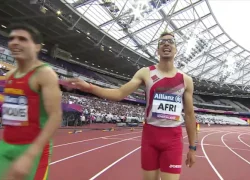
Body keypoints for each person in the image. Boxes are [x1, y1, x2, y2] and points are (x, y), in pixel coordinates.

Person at [65, 32, 196, 180]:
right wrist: (89, 87)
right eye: (162, 42)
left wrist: (192, 147)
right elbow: (119, 93)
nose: (166, 44)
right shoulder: (146, 73)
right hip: (150, 137)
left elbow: (190, 115)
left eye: (171, 41)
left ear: (176, 49)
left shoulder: (186, 80)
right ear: (157, 50)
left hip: (173, 139)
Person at [0, 23, 62, 180]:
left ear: (37, 47)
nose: (15, 42)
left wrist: (30, 155)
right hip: (5, 146)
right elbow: (14, 117)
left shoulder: (45, 74)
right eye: (12, 38)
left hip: (33, 150)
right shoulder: (10, 75)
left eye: (22, 39)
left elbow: (55, 116)